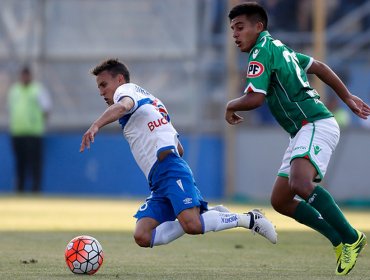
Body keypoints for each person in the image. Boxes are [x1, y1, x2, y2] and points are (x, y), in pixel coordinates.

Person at [225, 2, 370, 276]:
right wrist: (347, 97)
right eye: (232, 29)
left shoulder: (261, 52)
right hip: (303, 129)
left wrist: (230, 105)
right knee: (280, 200)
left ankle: (351, 236)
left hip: (315, 123)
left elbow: (255, 98)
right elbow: (319, 66)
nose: (235, 34)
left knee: (300, 183)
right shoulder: (279, 48)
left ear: (259, 26)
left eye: (240, 27)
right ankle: (338, 240)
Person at [80, 58, 277, 248]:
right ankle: (211, 215)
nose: (101, 92)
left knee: (193, 225)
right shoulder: (153, 102)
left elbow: (123, 107)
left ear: (120, 79)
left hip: (169, 169)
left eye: (103, 84)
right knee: (142, 235)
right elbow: (178, 145)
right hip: (160, 180)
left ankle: (250, 219)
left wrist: (96, 125)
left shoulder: (126, 92)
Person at [7, 66, 52, 193]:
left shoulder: (38, 90)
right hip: (17, 132)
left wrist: (41, 124)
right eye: (23, 75)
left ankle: (35, 189)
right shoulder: (14, 90)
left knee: (34, 163)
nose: (24, 78)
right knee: (20, 163)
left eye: (26, 75)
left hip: (34, 133)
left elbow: (46, 109)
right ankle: (19, 189)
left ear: (30, 76)